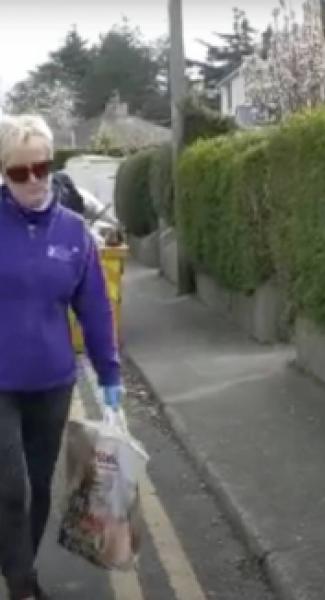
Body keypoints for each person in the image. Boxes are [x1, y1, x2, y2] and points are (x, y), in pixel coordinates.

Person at [0, 114, 123, 600]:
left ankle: (17, 566)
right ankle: (24, 585)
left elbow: (93, 306)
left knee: (38, 487)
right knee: (12, 488)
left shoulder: (73, 233)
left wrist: (109, 372)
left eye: (41, 167)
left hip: (52, 381)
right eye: (17, 172)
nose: (32, 180)